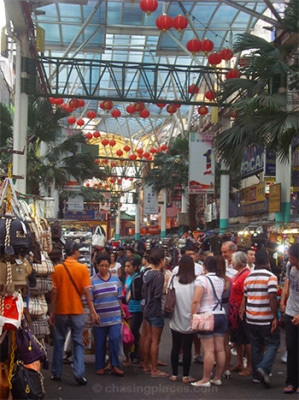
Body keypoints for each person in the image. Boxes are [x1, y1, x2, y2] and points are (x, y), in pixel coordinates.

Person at [50, 240, 99, 385]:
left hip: (61, 311)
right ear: (76, 252)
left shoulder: (58, 269)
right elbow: (86, 292)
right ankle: (78, 373)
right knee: (78, 342)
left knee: (59, 341)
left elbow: (54, 292)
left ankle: (56, 372)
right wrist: (92, 311)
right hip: (76, 311)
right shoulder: (82, 269)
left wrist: (52, 311)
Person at [243, 249, 280, 387]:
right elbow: (272, 297)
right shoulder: (270, 277)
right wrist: (275, 317)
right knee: (273, 343)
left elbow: (245, 297)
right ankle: (263, 368)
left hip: (251, 318)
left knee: (256, 345)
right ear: (267, 261)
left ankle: (256, 376)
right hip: (265, 318)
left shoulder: (249, 277)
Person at [191, 256, 227, 387]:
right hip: (221, 315)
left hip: (206, 315)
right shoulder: (221, 279)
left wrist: (192, 316)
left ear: (205, 267)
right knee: (220, 349)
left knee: (208, 350)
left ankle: (205, 379)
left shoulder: (201, 280)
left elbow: (196, 300)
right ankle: (217, 377)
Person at [91, 253, 125, 377]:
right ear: (97, 266)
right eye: (101, 266)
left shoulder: (116, 280)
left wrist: (122, 311)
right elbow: (90, 300)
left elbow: (119, 297)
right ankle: (100, 366)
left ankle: (115, 364)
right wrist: (93, 314)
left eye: (106, 266)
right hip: (100, 317)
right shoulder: (92, 281)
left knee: (115, 339)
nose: (104, 268)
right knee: (99, 342)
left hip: (115, 316)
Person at [168, 255, 196, 383]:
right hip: (190, 317)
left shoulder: (173, 279)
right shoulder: (196, 281)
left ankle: (174, 374)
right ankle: (186, 375)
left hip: (175, 316)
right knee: (187, 348)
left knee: (175, 346)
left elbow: (167, 293)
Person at [142, 247, 169, 378]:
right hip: (155, 309)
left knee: (147, 338)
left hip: (146, 308)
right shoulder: (159, 275)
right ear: (161, 260)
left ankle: (146, 365)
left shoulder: (146, 273)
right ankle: (154, 369)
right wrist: (165, 286)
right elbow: (158, 295)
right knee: (155, 341)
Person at [228, 251, 251, 376]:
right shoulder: (239, 274)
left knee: (245, 339)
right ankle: (239, 363)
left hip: (241, 312)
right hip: (234, 312)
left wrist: (242, 309)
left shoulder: (246, 275)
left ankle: (249, 366)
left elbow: (245, 295)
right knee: (237, 339)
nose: (231, 262)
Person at [282, 243, 299, 394]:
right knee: (291, 348)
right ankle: (291, 381)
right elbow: (288, 283)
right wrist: (283, 300)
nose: (291, 261)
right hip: (290, 311)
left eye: (293, 259)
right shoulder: (289, 266)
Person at [124, 257, 143, 365]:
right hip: (129, 308)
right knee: (132, 331)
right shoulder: (128, 277)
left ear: (135, 267)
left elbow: (132, 294)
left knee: (134, 331)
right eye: (125, 266)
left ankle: (136, 354)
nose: (126, 269)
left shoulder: (136, 278)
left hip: (137, 308)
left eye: (129, 266)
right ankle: (133, 353)